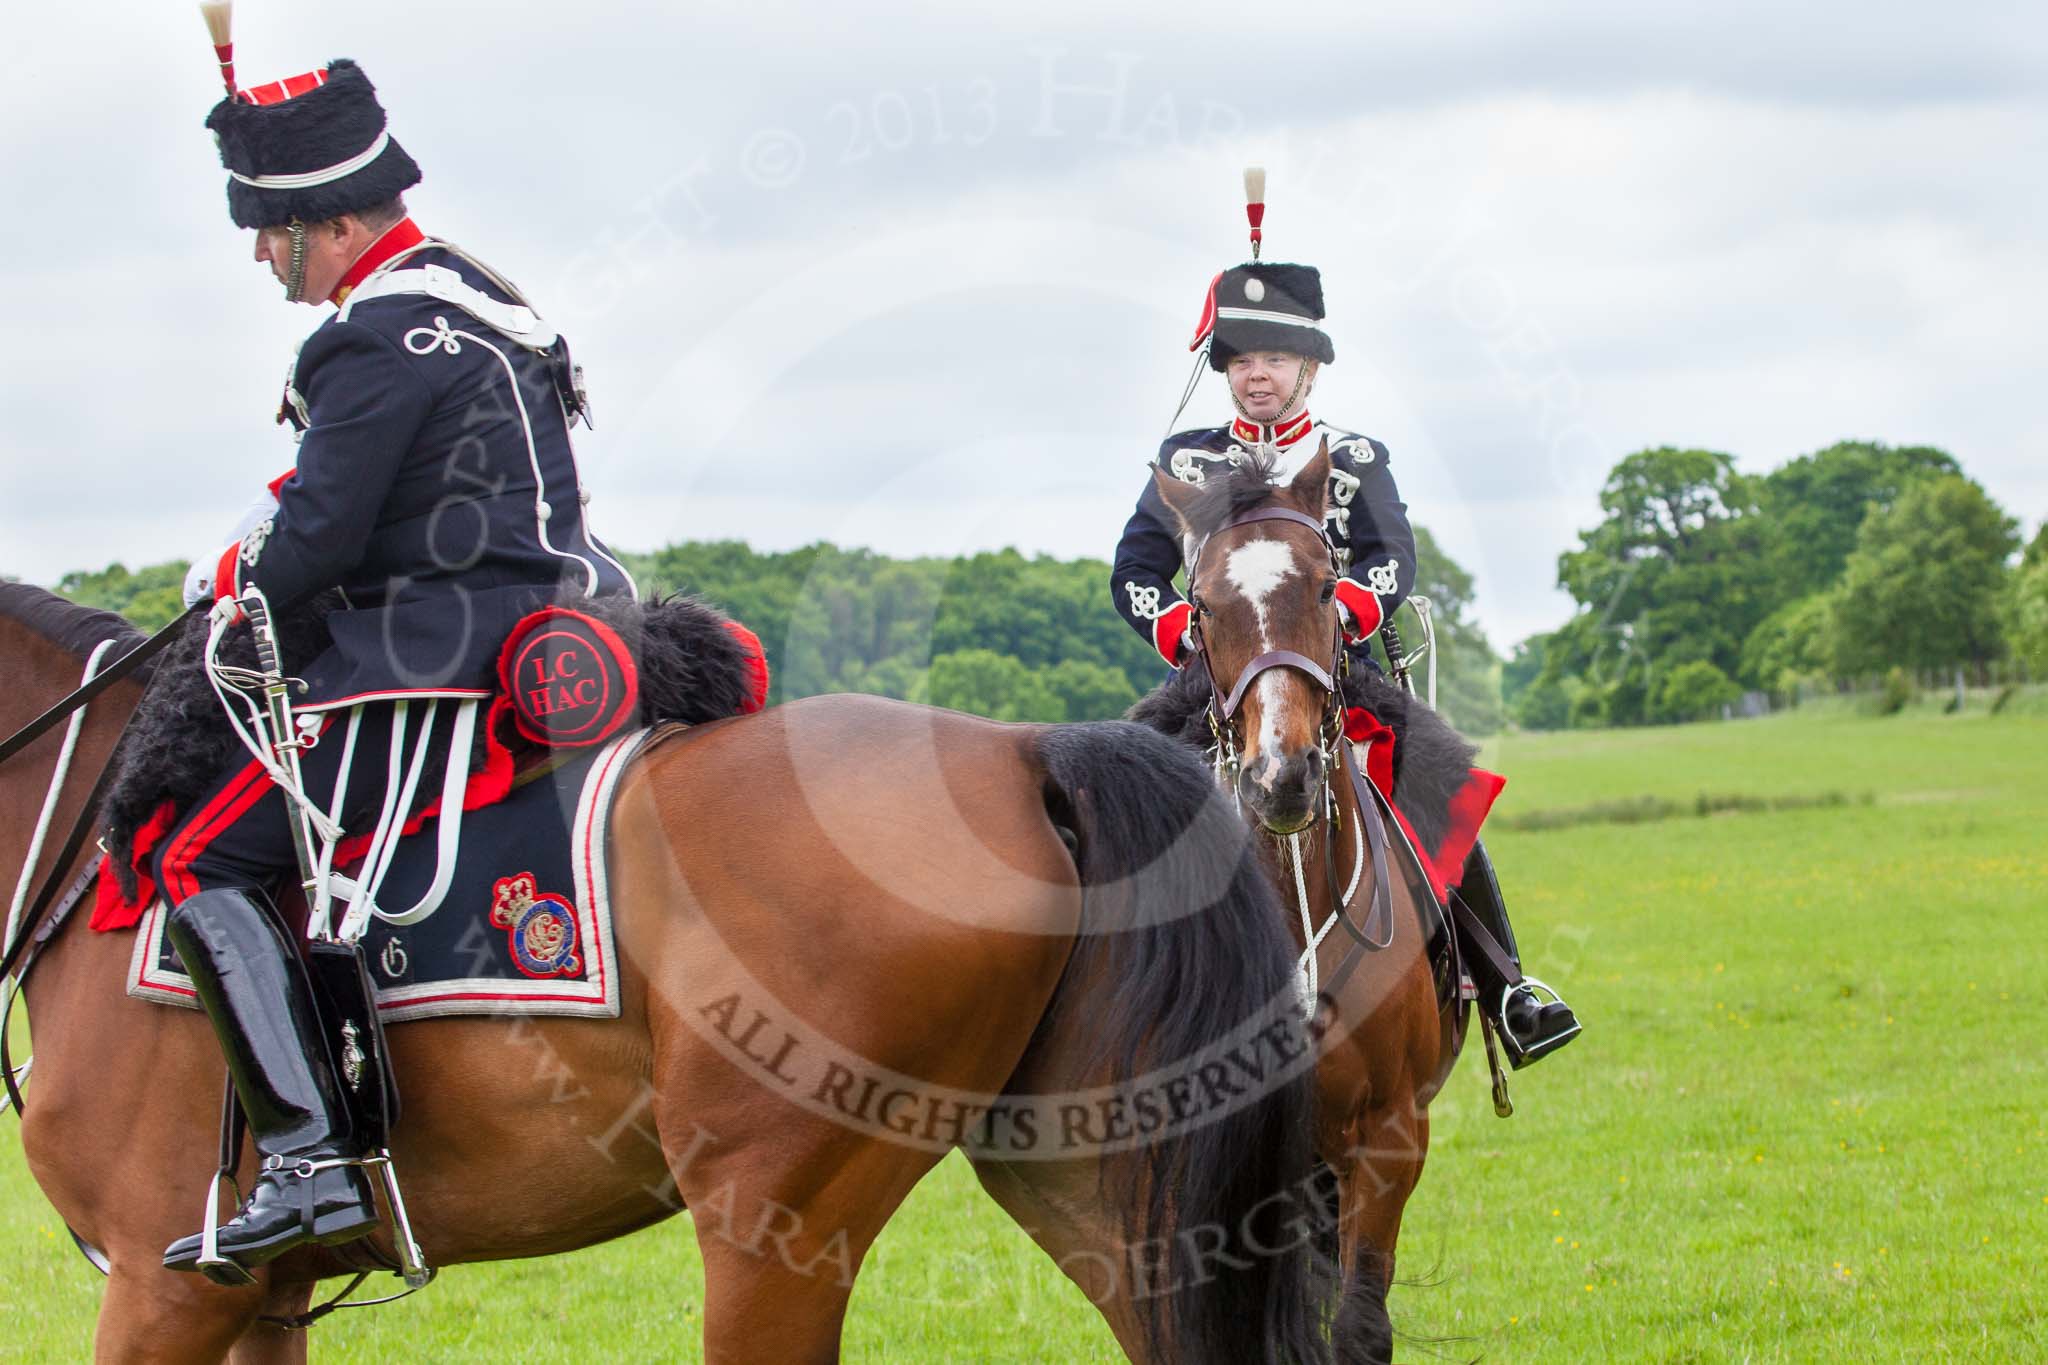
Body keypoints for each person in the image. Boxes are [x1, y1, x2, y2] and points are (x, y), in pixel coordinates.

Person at [154, 52, 635, 1277]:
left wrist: (229, 590)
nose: (266, 259)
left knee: (198, 855)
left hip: (431, 651)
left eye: (273, 232)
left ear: (338, 220)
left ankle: (309, 1163)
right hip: (562, 612)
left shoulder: (368, 336)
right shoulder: (478, 295)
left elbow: (320, 540)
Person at [1110, 251, 1580, 1071]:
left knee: (1437, 781)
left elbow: (1392, 560)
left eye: (1277, 359)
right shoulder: (1186, 461)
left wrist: (1343, 611)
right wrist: (1192, 629)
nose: (1258, 375)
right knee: (1126, 800)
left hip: (1332, 670)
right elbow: (1133, 574)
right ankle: (1115, 1009)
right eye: (1243, 359)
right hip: (1212, 679)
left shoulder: (1354, 458)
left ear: (1312, 368)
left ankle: (1506, 985)